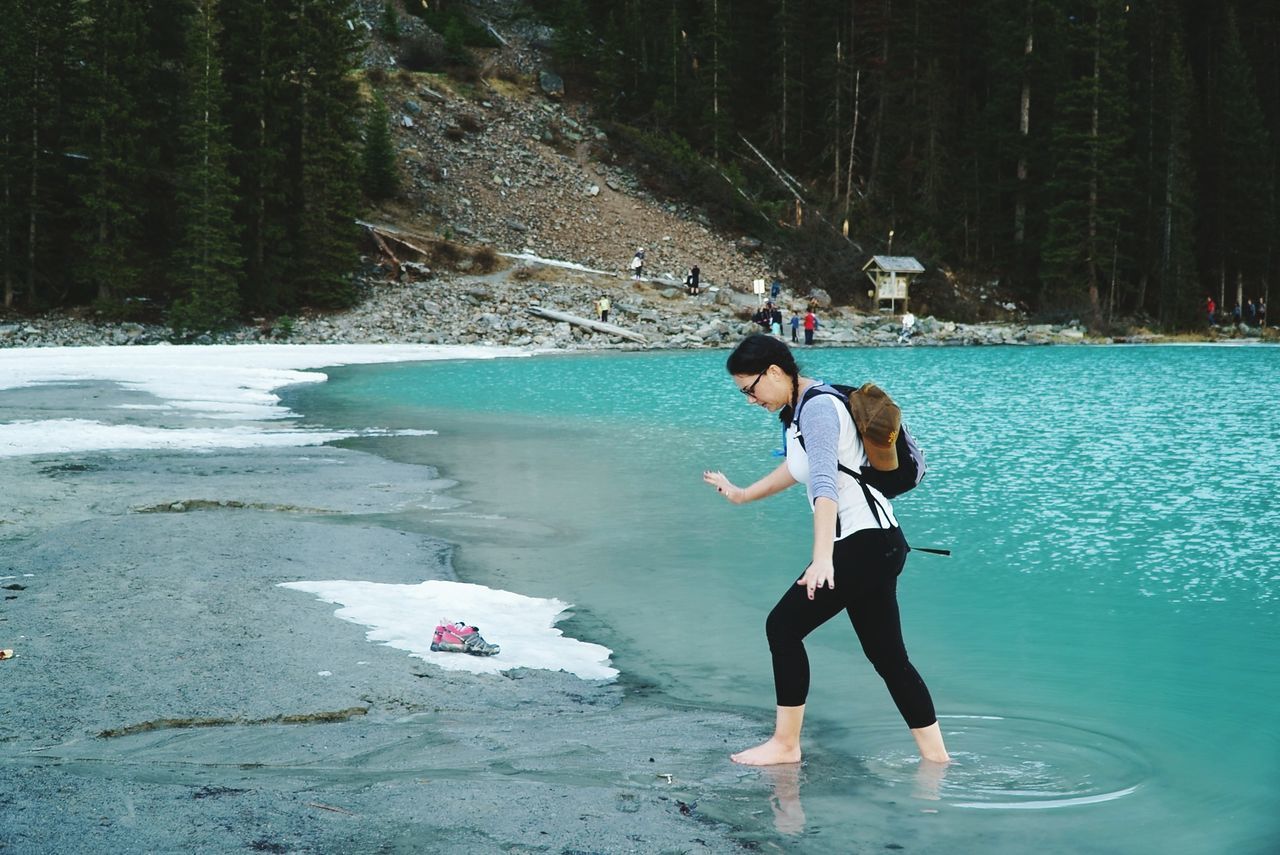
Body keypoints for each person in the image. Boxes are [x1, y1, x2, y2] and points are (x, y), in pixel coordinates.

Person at [701, 334, 950, 767]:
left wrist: (822, 559)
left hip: (861, 545)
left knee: (783, 627)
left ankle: (785, 745)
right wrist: (742, 495)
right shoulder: (800, 409)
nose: (750, 400)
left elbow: (823, 485)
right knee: (890, 659)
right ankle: (937, 760)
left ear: (775, 372)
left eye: (751, 389)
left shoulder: (817, 408)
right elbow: (795, 469)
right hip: (881, 543)